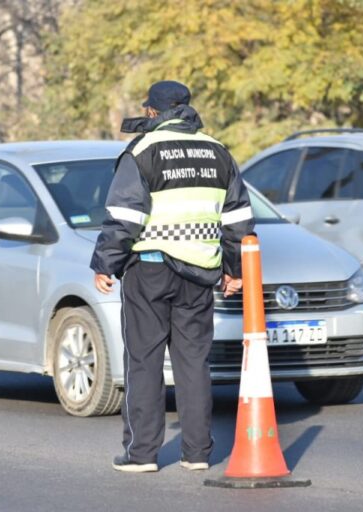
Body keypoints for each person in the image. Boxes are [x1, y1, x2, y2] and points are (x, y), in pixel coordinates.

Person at [90, 80, 254, 473]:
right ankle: (197, 453)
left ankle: (142, 454)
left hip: (149, 267)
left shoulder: (142, 151)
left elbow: (126, 216)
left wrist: (105, 263)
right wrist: (234, 269)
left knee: (144, 360)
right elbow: (237, 218)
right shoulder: (218, 151)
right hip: (199, 271)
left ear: (151, 112)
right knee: (194, 362)